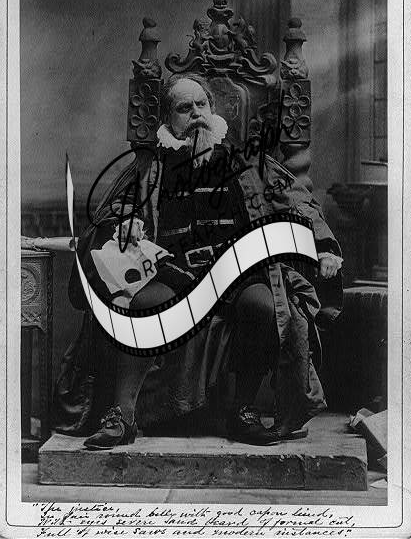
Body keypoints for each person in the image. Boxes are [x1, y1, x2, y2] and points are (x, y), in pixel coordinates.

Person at [54, 73, 342, 449]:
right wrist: (127, 223)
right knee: (139, 306)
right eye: (184, 108)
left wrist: (323, 246)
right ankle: (122, 417)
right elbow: (116, 210)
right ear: (168, 119)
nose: (195, 114)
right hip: (175, 272)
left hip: (237, 271)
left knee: (264, 306)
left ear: (212, 109)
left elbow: (296, 200)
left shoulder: (246, 160)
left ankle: (242, 411)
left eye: (201, 105)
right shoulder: (151, 167)